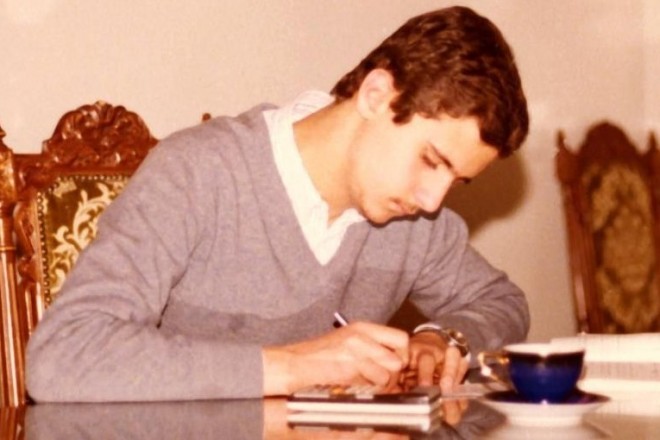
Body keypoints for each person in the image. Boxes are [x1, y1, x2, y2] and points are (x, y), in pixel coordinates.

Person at [26, 6, 529, 402]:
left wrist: (445, 339)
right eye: (431, 160)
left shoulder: (413, 221)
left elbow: (503, 303)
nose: (432, 199)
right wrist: (295, 365)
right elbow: (63, 355)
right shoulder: (198, 172)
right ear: (376, 95)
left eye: (456, 181)